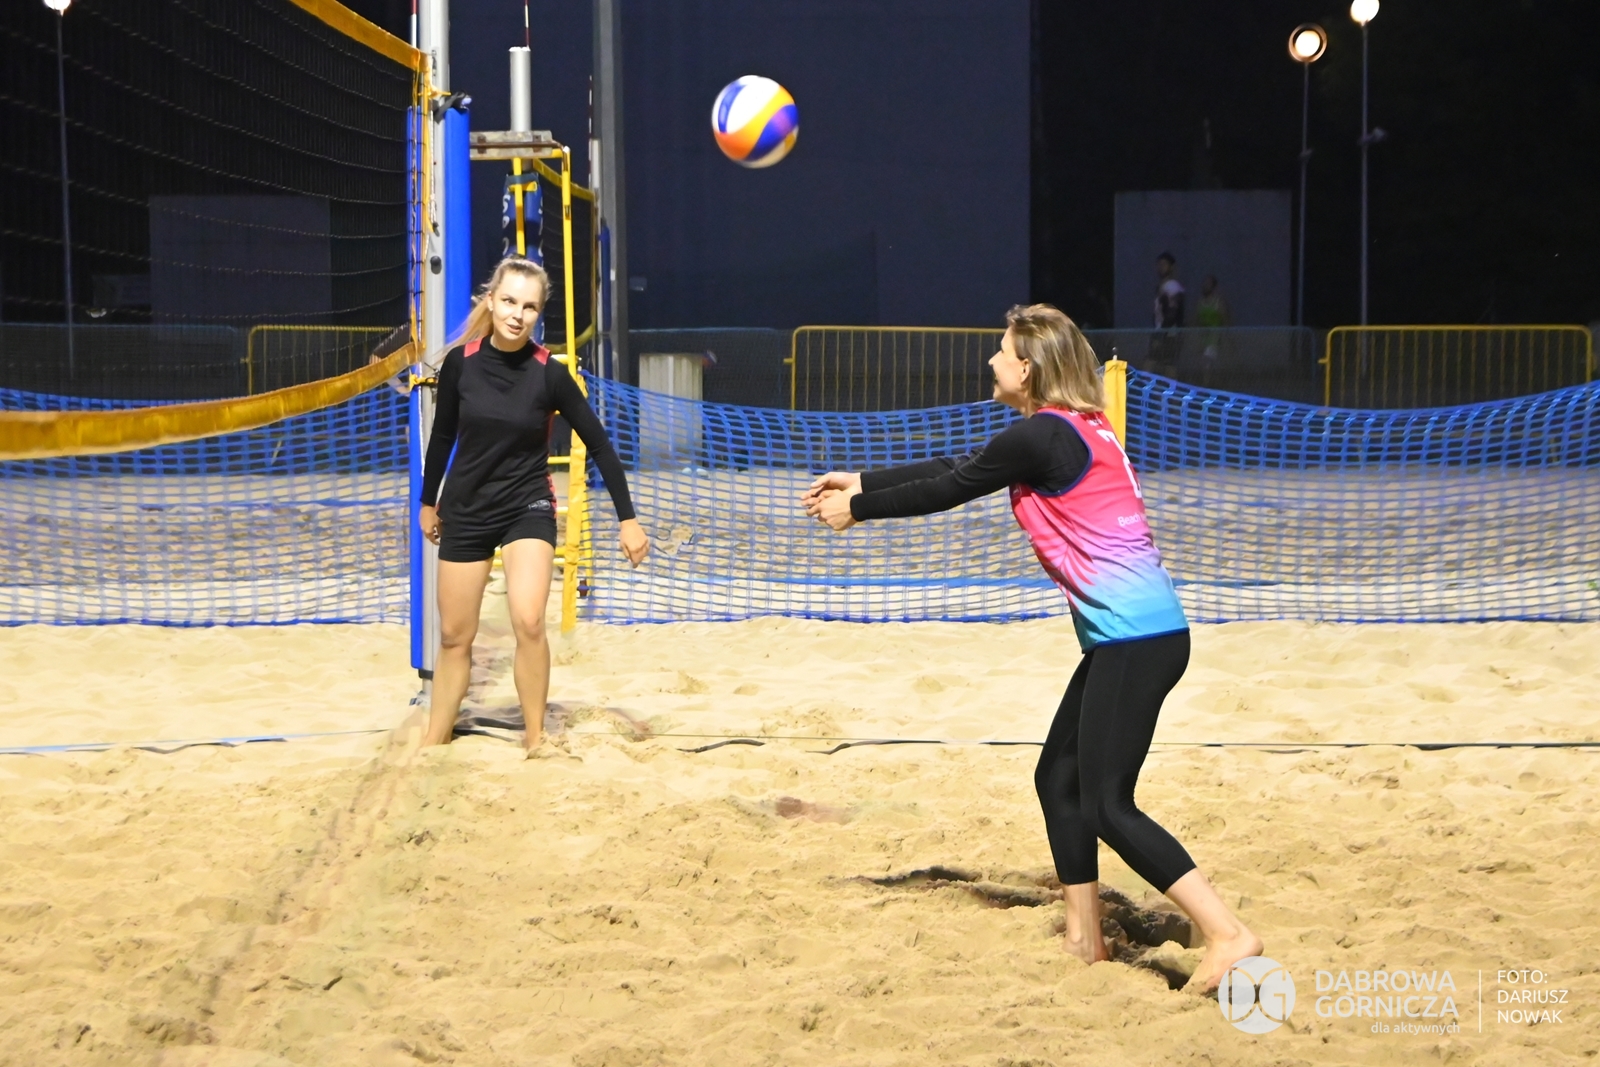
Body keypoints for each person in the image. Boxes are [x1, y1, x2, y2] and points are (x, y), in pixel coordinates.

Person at [801, 304, 1260, 990]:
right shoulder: (1071, 427)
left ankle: (1227, 933)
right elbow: (961, 465)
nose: (991, 360)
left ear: (1027, 368)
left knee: (1108, 805)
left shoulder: (1045, 433)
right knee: (1058, 779)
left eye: (1001, 351)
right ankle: (1084, 937)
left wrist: (858, 509)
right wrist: (862, 480)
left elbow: (951, 487)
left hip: (1137, 638)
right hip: (1135, 636)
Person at [418, 256, 649, 754]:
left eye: (529, 307)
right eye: (508, 301)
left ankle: (535, 737)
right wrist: (427, 502)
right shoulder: (460, 364)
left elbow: (601, 445)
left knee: (528, 621)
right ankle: (435, 739)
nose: (517, 314)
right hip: (467, 508)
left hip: (527, 505)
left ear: (539, 313)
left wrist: (628, 520)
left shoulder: (550, 374)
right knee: (455, 637)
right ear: (490, 301)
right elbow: (442, 438)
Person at [1150, 252, 1185, 377]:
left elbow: (1172, 313)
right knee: (1163, 364)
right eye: (1159, 264)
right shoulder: (1161, 287)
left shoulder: (1172, 287)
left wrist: (1161, 335)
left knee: (1166, 364)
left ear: (1171, 267)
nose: (1161, 267)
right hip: (1161, 330)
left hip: (1169, 333)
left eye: (1164, 264)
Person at [1195, 275, 1230, 388]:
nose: (1205, 286)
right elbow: (1197, 320)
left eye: (1208, 284)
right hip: (1203, 338)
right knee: (1204, 366)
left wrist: (1227, 338)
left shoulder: (1218, 302)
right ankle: (1207, 386)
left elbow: (1225, 320)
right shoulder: (1200, 302)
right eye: (1204, 284)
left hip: (1215, 338)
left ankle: (1210, 386)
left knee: (1209, 363)